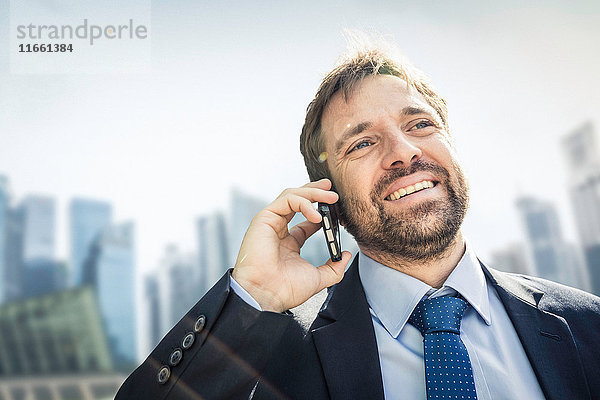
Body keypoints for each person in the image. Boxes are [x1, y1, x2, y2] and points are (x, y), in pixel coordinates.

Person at [116, 39, 600, 400]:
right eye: (362, 143)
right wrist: (252, 298)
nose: (403, 152)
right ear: (329, 199)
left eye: (420, 125)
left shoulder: (587, 325)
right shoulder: (272, 359)